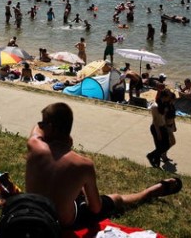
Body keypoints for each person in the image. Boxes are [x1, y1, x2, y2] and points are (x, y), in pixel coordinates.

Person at [26, 103, 182, 229]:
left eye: (43, 123)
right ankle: (149, 192)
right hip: (62, 223)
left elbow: (36, 129)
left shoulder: (34, 145)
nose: (40, 125)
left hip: (31, 213)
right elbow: (95, 208)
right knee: (116, 199)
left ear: (51, 128)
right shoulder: (83, 164)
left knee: (73, 185)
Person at [146, 89, 175, 168]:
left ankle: (153, 157)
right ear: (164, 96)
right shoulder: (155, 106)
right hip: (156, 128)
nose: (169, 97)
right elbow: (155, 121)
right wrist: (158, 133)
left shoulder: (164, 104)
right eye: (168, 96)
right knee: (160, 147)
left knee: (165, 145)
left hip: (163, 127)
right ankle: (153, 159)